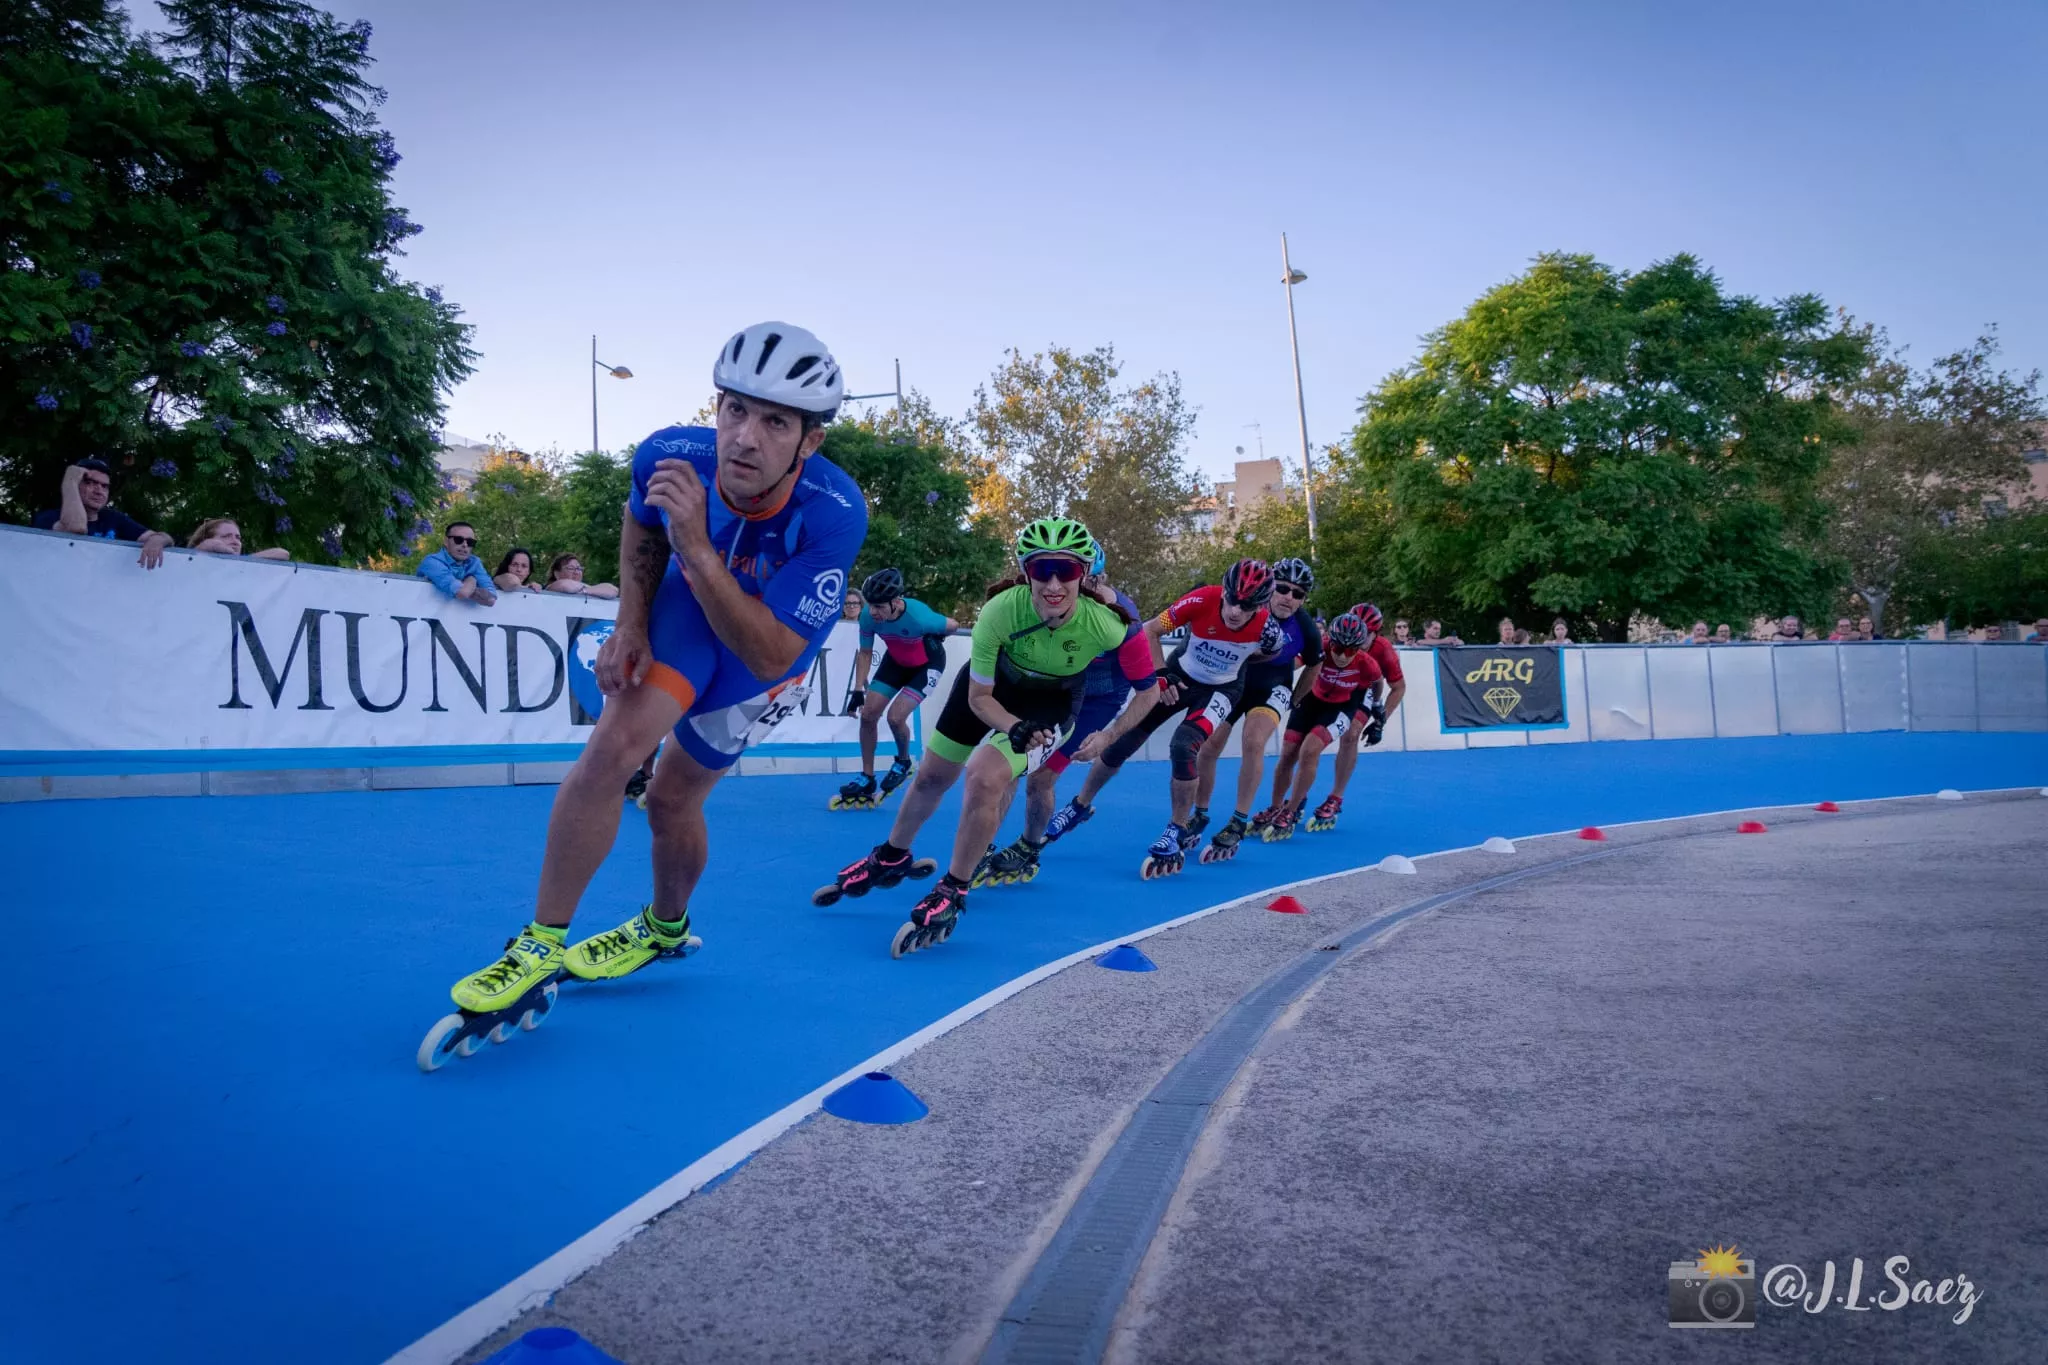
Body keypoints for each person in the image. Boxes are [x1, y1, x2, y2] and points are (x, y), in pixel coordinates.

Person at [436, 322, 864, 1041]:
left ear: (808, 440)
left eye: (776, 421)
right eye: (734, 409)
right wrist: (633, 623)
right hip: (691, 611)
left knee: (671, 801)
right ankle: (540, 944)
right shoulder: (670, 454)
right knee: (614, 748)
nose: (745, 438)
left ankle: (666, 925)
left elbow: (767, 653)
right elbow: (640, 526)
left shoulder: (836, 511)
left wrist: (695, 543)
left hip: (764, 652)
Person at [814, 518, 1153, 956]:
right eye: (1041, 569)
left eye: (1065, 570)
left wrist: (1108, 735)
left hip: (1051, 703)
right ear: (1025, 571)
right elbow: (980, 696)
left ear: (1083, 574)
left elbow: (1150, 691)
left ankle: (954, 888)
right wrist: (1013, 727)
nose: (1053, 583)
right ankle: (893, 853)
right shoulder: (1000, 610)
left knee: (985, 777)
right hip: (991, 693)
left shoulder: (1107, 624)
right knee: (932, 777)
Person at [1053, 558, 1274, 878]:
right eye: (1233, 598)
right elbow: (1149, 631)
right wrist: (1159, 675)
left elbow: (1272, 655)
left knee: (1184, 746)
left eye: (1248, 605)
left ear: (1260, 606)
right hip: (1178, 676)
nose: (1237, 610)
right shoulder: (1202, 599)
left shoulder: (1268, 628)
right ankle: (1079, 805)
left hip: (1222, 691)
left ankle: (1176, 830)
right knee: (1121, 742)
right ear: (1223, 590)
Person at [977, 543, 1154, 884]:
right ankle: (982, 844)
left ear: (1096, 577)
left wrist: (1109, 734)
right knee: (1010, 762)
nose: (1073, 591)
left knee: (1041, 777)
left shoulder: (1120, 617)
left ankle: (1029, 846)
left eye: (1088, 581)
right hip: (1058, 690)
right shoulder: (1046, 600)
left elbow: (1149, 691)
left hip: (1097, 699)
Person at [1187, 556, 1321, 861]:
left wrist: (1296, 697)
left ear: (1303, 600)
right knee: (1207, 747)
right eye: (1284, 589)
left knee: (1253, 741)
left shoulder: (1305, 627)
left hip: (1273, 688)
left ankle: (1238, 820)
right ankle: (1200, 812)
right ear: (1270, 586)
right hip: (1234, 683)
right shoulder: (1247, 609)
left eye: (1298, 594)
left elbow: (1316, 663)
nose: (1289, 597)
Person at [833, 567, 958, 809]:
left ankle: (903, 762)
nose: (874, 611)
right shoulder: (868, 616)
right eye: (871, 605)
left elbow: (953, 624)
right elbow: (866, 652)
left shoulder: (919, 617)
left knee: (895, 717)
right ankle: (867, 777)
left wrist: (939, 633)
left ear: (896, 602)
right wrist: (858, 689)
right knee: (868, 715)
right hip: (897, 661)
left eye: (880, 606)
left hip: (927, 664)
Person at [1264, 612, 1386, 839]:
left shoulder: (1367, 663)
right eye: (1338, 648)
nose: (1341, 656)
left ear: (1359, 648)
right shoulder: (1321, 646)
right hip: (1311, 700)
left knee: (1310, 751)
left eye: (1349, 651)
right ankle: (1275, 806)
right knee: (1288, 754)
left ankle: (1290, 812)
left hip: (1341, 708)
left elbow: (1378, 683)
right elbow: (1295, 662)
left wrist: (1378, 706)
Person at [1291, 600, 1406, 831]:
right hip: (1328, 689)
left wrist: (1381, 720)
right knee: (1305, 743)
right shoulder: (1335, 640)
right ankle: (1299, 794)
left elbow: (1398, 687)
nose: (1357, 636)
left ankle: (1336, 797)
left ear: (1376, 634)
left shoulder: (1383, 650)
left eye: (1366, 635)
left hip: (1361, 691)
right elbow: (1302, 659)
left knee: (1351, 734)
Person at [32, 457, 173, 568]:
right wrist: (69, 480)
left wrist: (157, 540)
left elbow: (166, 538)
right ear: (76, 484)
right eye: (91, 483)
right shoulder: (49, 518)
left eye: (104, 486)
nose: (99, 490)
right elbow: (76, 528)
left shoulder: (113, 518)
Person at [418, 521, 497, 605]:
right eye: (458, 540)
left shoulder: (475, 563)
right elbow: (462, 593)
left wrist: (468, 588)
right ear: (446, 541)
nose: (465, 545)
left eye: (470, 542)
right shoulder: (431, 562)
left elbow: (491, 599)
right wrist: (472, 579)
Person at [187, 517, 289, 561]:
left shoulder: (245, 562)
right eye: (226, 536)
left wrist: (245, 561)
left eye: (238, 537)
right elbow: (209, 545)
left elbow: (283, 553)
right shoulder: (186, 560)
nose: (235, 542)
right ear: (206, 538)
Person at [545, 553, 619, 599]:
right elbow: (566, 586)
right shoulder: (552, 587)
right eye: (571, 568)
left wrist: (584, 591)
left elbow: (613, 590)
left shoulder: (583, 589)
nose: (576, 572)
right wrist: (596, 590)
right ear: (557, 574)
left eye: (579, 568)